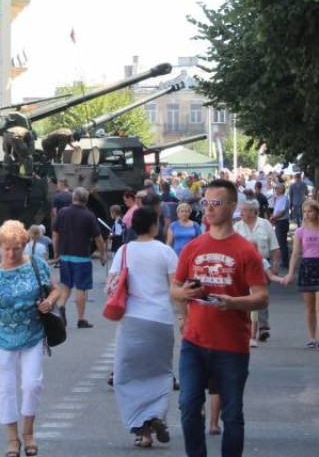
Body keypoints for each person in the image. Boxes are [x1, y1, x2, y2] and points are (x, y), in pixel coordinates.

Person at [172, 179, 268, 457]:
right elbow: (174, 288)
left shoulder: (245, 250)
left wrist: (233, 303)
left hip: (231, 345)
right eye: (206, 202)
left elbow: (262, 297)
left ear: (232, 206)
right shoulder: (193, 247)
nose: (209, 208)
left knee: (232, 414)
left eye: (216, 203)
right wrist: (184, 293)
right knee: (188, 406)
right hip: (194, 342)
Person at [0, 220, 59, 457]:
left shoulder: (37, 264)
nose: (11, 254)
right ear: (0, 247)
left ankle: (29, 433)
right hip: (3, 336)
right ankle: (12, 439)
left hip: (33, 333)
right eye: (6, 249)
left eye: (17, 248)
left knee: (32, 385)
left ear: (24, 245)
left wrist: (49, 301)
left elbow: (56, 289)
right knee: (6, 388)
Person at [109, 205, 178, 448]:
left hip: (132, 320)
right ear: (154, 225)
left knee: (127, 375)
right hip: (161, 320)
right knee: (161, 372)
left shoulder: (124, 251)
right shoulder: (166, 252)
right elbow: (176, 289)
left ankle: (142, 429)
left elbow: (111, 284)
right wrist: (185, 315)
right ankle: (156, 414)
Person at [282, 199, 319, 351]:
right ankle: (312, 337)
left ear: (317, 212)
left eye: (310, 211)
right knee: (310, 307)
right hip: (307, 267)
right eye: (305, 212)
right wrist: (290, 272)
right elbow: (295, 253)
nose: (306, 214)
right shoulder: (300, 232)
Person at [51, 186, 107, 329]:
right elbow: (98, 238)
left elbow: (55, 234)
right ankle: (81, 319)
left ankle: (62, 306)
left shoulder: (63, 212)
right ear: (86, 200)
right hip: (82, 257)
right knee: (81, 288)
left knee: (66, 285)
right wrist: (103, 254)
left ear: (73, 197)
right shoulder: (89, 215)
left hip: (65, 257)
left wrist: (56, 251)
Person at [235, 197, 280, 343]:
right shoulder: (237, 227)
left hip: (262, 264)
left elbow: (275, 247)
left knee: (261, 296)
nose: (241, 213)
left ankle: (263, 327)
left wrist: (275, 265)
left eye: (244, 210)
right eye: (241, 210)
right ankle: (246, 327)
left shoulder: (265, 224)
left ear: (253, 211)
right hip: (242, 266)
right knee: (244, 296)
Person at [269, 182, 291, 266]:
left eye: (277, 188)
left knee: (282, 243)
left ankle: (285, 261)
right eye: (275, 188)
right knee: (281, 242)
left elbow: (281, 212)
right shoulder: (279, 198)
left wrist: (273, 218)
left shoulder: (283, 199)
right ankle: (284, 260)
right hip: (279, 221)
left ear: (281, 190)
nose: (275, 190)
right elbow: (277, 211)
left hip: (282, 222)